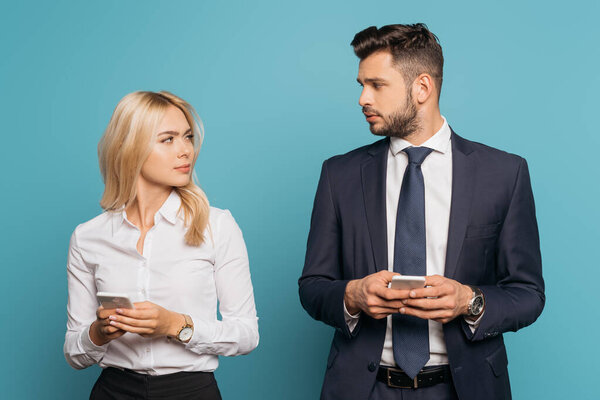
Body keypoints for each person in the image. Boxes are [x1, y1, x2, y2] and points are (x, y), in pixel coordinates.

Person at [298, 24, 544, 400]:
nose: (363, 98)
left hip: (464, 387)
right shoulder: (339, 175)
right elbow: (312, 286)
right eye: (361, 84)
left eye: (377, 85)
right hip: (364, 388)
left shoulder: (504, 174)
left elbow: (528, 293)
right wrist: (352, 294)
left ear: (422, 88)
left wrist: (470, 301)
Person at [64, 91, 259, 399]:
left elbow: (247, 335)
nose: (186, 151)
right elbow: (74, 353)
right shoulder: (88, 237)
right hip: (113, 391)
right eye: (168, 139)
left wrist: (177, 325)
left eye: (188, 137)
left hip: (191, 391)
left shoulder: (217, 226)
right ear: (130, 147)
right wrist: (98, 333)